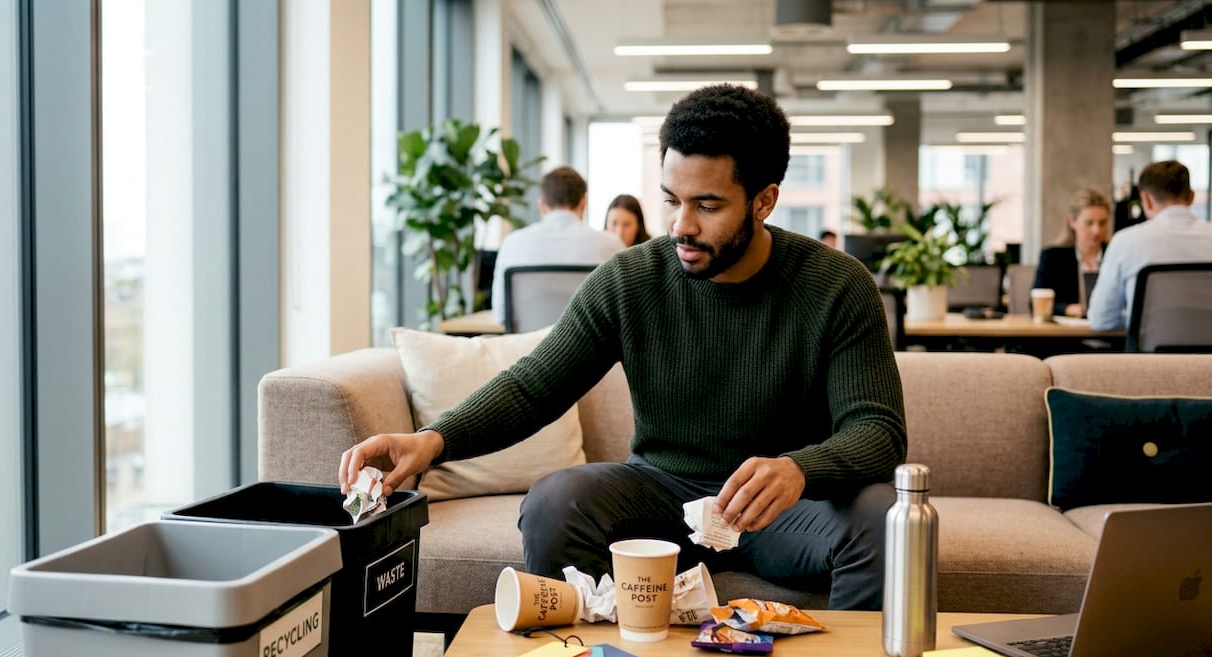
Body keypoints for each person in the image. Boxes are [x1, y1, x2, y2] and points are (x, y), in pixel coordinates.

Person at [339, 84, 906, 610]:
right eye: (671, 200)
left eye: (707, 205)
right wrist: (433, 440)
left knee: (883, 517)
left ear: (764, 200)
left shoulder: (837, 285)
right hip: (661, 496)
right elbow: (535, 384)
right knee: (556, 500)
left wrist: (799, 469)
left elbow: (879, 431)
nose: (681, 225)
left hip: (782, 510)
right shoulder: (630, 279)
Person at [1088, 160, 1212, 331]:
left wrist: (1137, 316)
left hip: (1150, 357)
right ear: (1191, 197)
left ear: (1145, 199)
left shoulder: (1126, 241)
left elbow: (1101, 320)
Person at [489, 166, 622, 324]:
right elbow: (624, 313)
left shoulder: (512, 243)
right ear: (583, 201)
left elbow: (501, 316)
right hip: (592, 347)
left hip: (531, 347)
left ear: (542, 205)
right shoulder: (611, 244)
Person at [1033, 188, 1111, 317]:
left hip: (1109, 330)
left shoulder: (1115, 255)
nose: (1097, 230)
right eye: (1089, 223)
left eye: (1102, 223)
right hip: (1067, 333)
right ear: (1072, 222)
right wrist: (1068, 309)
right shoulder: (1053, 257)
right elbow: (1035, 303)